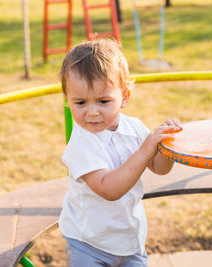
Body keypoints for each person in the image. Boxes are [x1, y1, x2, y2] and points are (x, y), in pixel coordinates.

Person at [59, 39, 182, 267]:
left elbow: (159, 168)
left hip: (130, 241)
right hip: (89, 244)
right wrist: (145, 151)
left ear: (124, 97)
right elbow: (108, 188)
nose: (92, 112)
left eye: (103, 101)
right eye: (80, 102)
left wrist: (166, 144)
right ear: (67, 100)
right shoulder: (81, 143)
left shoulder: (133, 127)